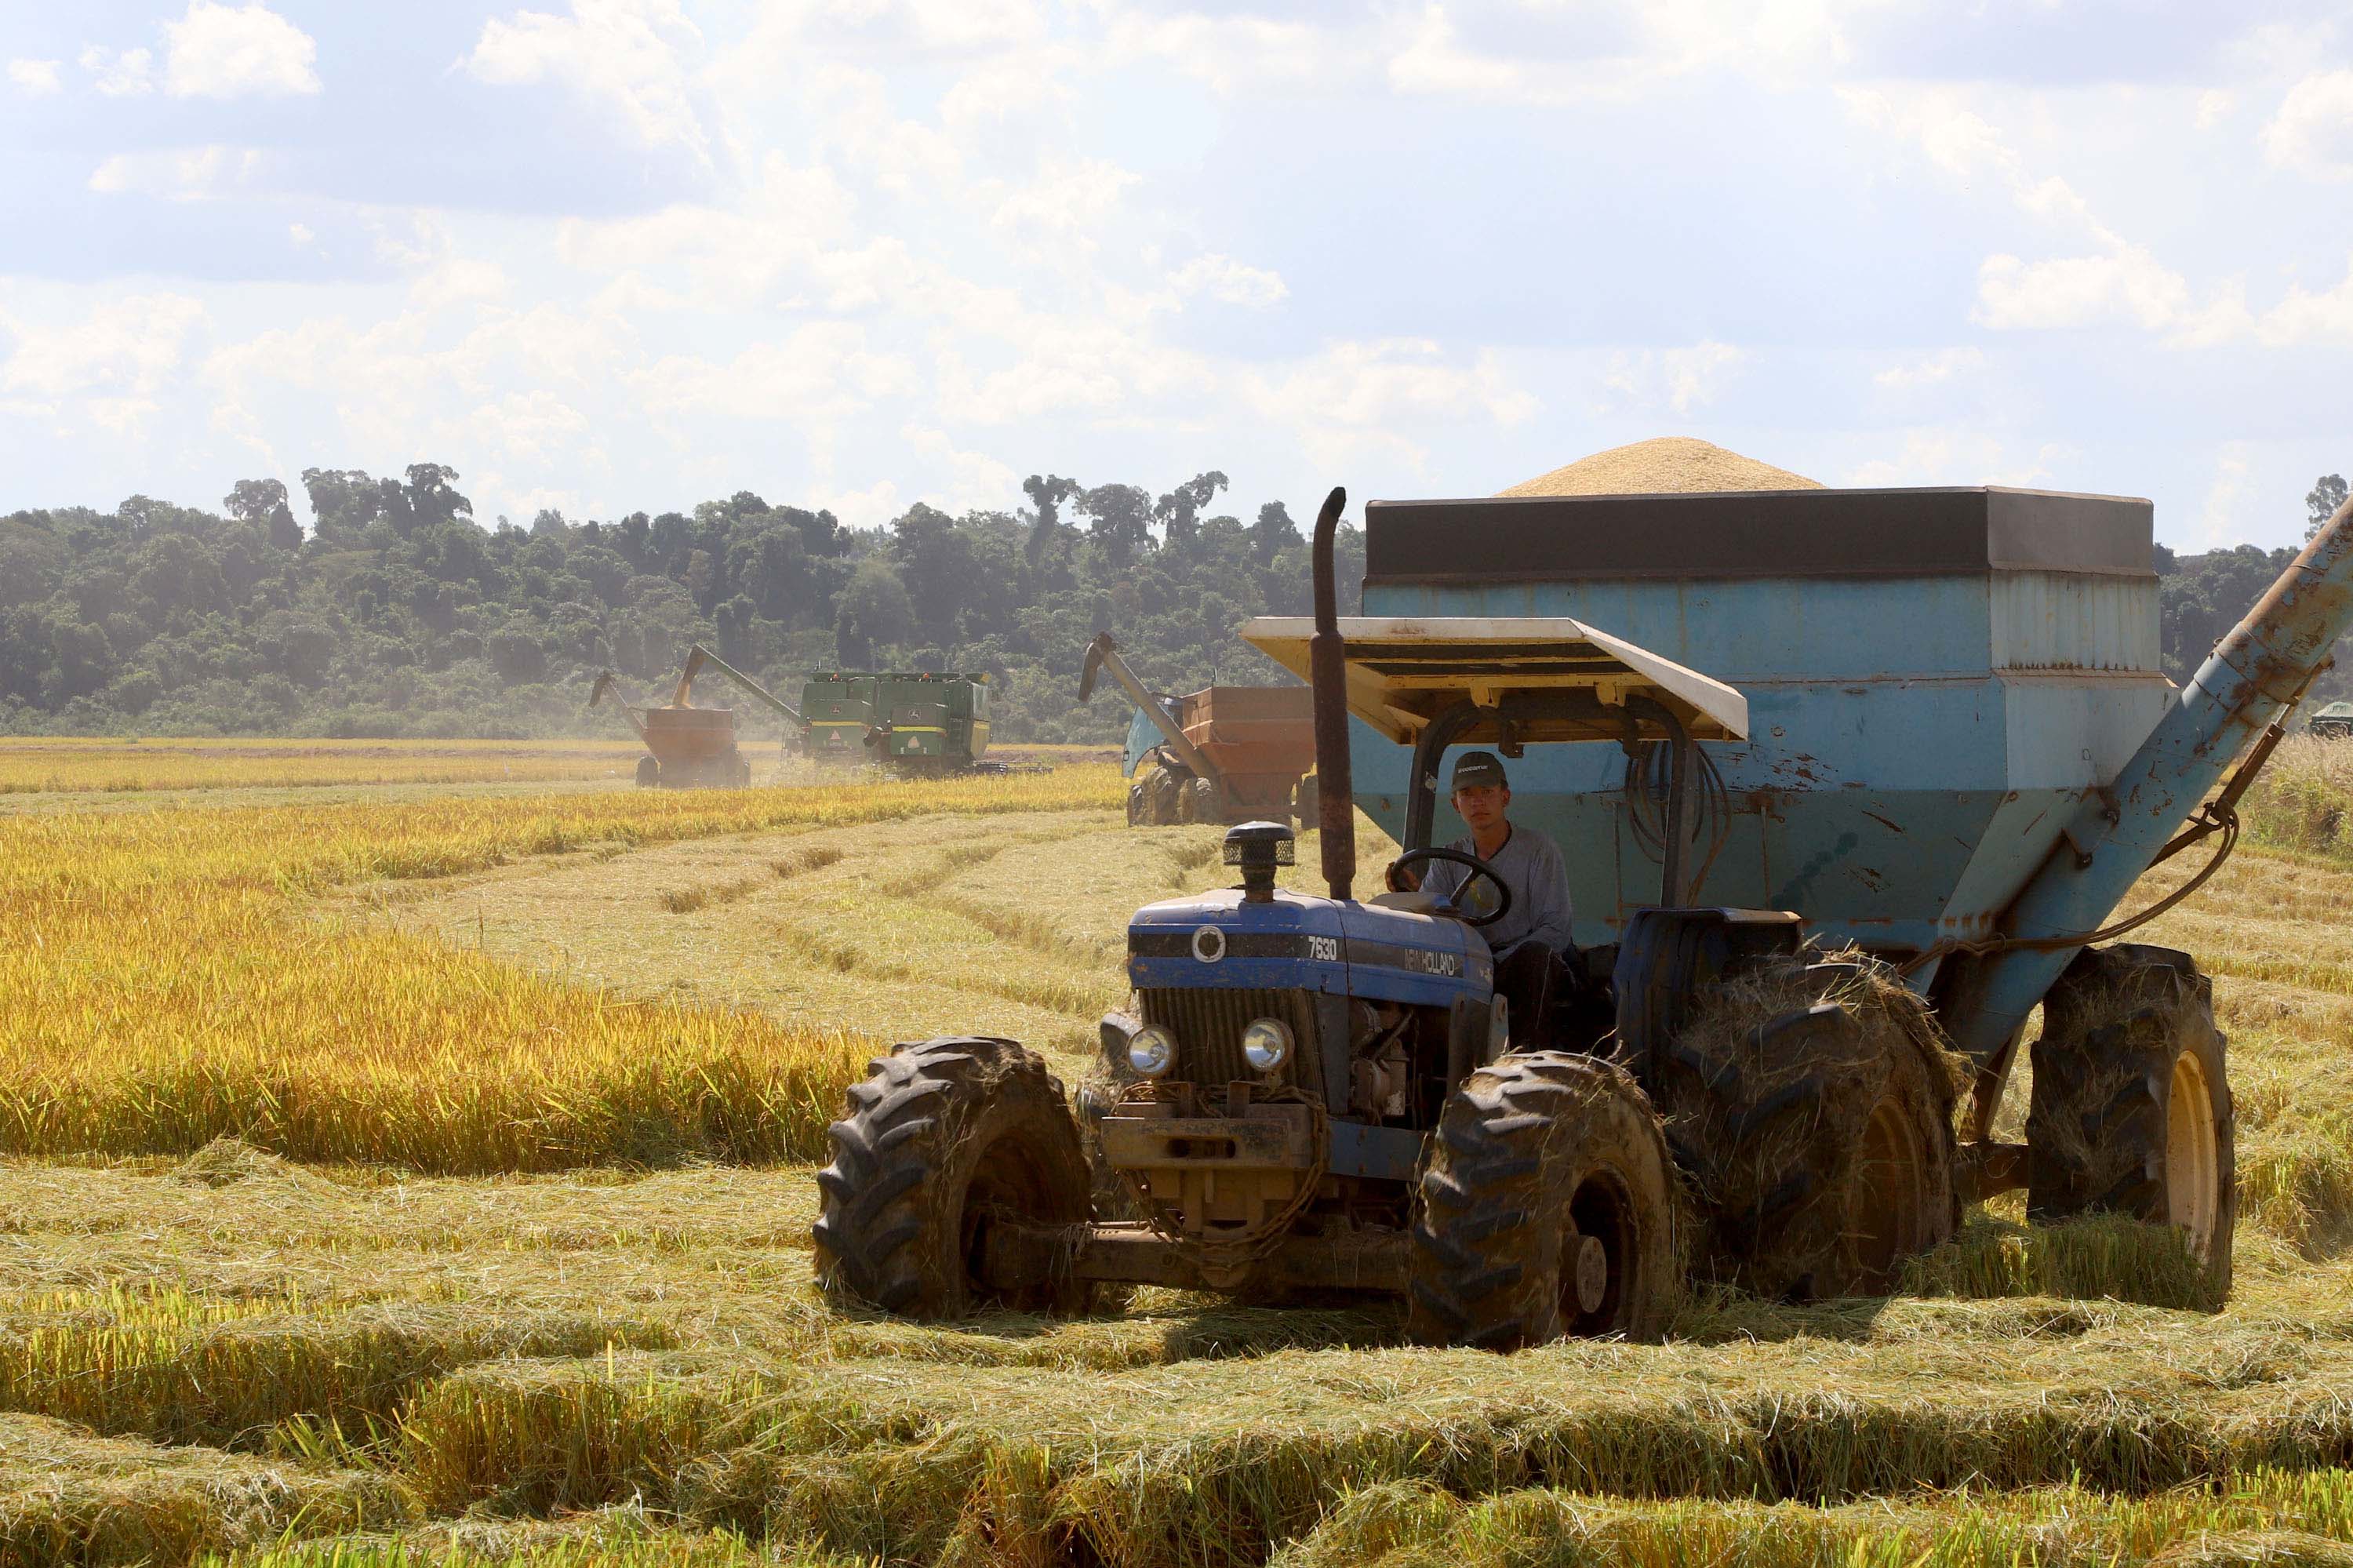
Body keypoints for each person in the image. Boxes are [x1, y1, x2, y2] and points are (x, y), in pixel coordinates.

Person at [1406, 751, 1577, 1050]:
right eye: (1467, 794)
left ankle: (1528, 1063)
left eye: (1487, 792)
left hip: (1521, 966)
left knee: (1536, 957)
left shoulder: (1539, 851)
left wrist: (1493, 962)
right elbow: (1432, 925)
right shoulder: (1447, 859)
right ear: (1455, 803)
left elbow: (1556, 930)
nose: (1478, 802)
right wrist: (1414, 902)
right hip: (1471, 966)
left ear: (1505, 797)